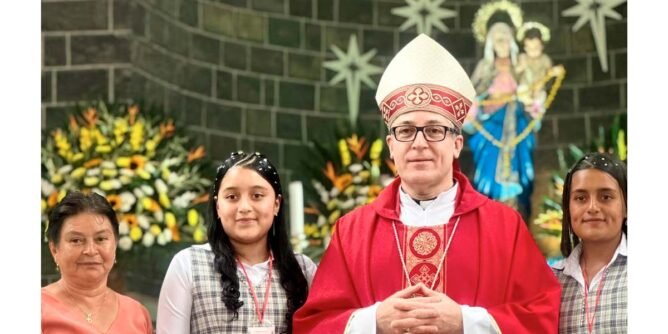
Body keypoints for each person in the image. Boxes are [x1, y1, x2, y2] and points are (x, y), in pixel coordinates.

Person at [293, 33, 561, 334]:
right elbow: (313, 326)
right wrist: (374, 321)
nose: (419, 143)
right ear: (392, 146)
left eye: (434, 130)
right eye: (406, 131)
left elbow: (542, 316)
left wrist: (465, 322)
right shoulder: (351, 232)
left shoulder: (504, 226)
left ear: (457, 144)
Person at [157, 151, 317, 334]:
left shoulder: (304, 270)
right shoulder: (188, 265)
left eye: (257, 195)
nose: (244, 208)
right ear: (218, 206)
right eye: (232, 197)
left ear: (276, 204)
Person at [463, 2, 537, 218]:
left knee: (519, 168)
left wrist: (527, 96)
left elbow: (534, 93)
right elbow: (472, 94)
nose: (502, 44)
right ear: (490, 44)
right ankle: (491, 216)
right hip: (491, 125)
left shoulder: (520, 66)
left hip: (517, 123)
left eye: (505, 38)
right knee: (488, 169)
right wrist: (481, 101)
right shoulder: (484, 67)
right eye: (497, 40)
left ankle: (516, 214)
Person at [42, 191, 153, 333]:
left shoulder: (137, 314)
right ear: (54, 250)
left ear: (115, 245)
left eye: (101, 239)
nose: (90, 250)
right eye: (76, 240)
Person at [551, 153, 627, 333]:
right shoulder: (552, 281)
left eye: (606, 197)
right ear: (568, 209)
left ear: (626, 206)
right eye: (580, 198)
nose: (592, 207)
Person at [515, 21, 565, 119]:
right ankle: (527, 105)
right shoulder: (523, 57)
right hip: (525, 85)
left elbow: (549, 72)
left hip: (539, 85)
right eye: (530, 48)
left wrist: (554, 72)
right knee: (522, 91)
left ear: (542, 46)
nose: (533, 51)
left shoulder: (545, 59)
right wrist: (520, 67)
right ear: (525, 47)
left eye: (536, 47)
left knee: (541, 95)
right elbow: (515, 71)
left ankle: (536, 108)